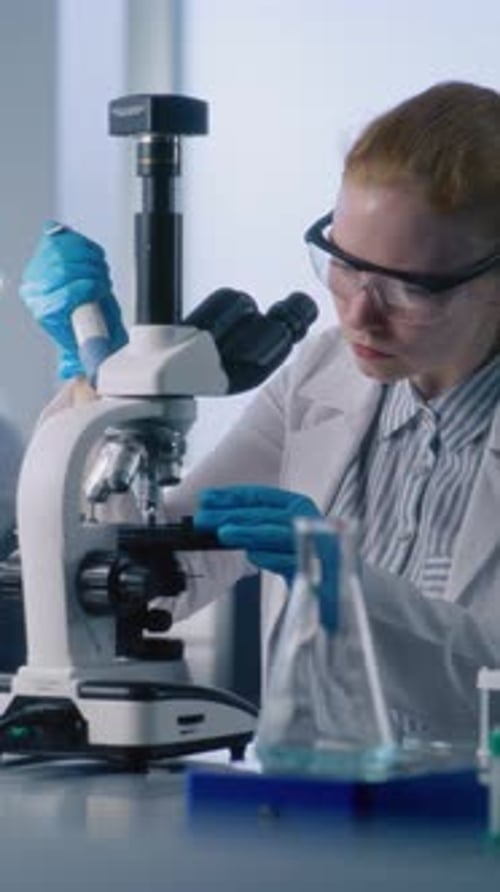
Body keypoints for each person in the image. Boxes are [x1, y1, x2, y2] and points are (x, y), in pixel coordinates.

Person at [20, 80, 500, 743]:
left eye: (408, 286)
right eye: (347, 265)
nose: (360, 313)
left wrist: (353, 589)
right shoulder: (320, 378)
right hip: (304, 806)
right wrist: (94, 392)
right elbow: (160, 582)